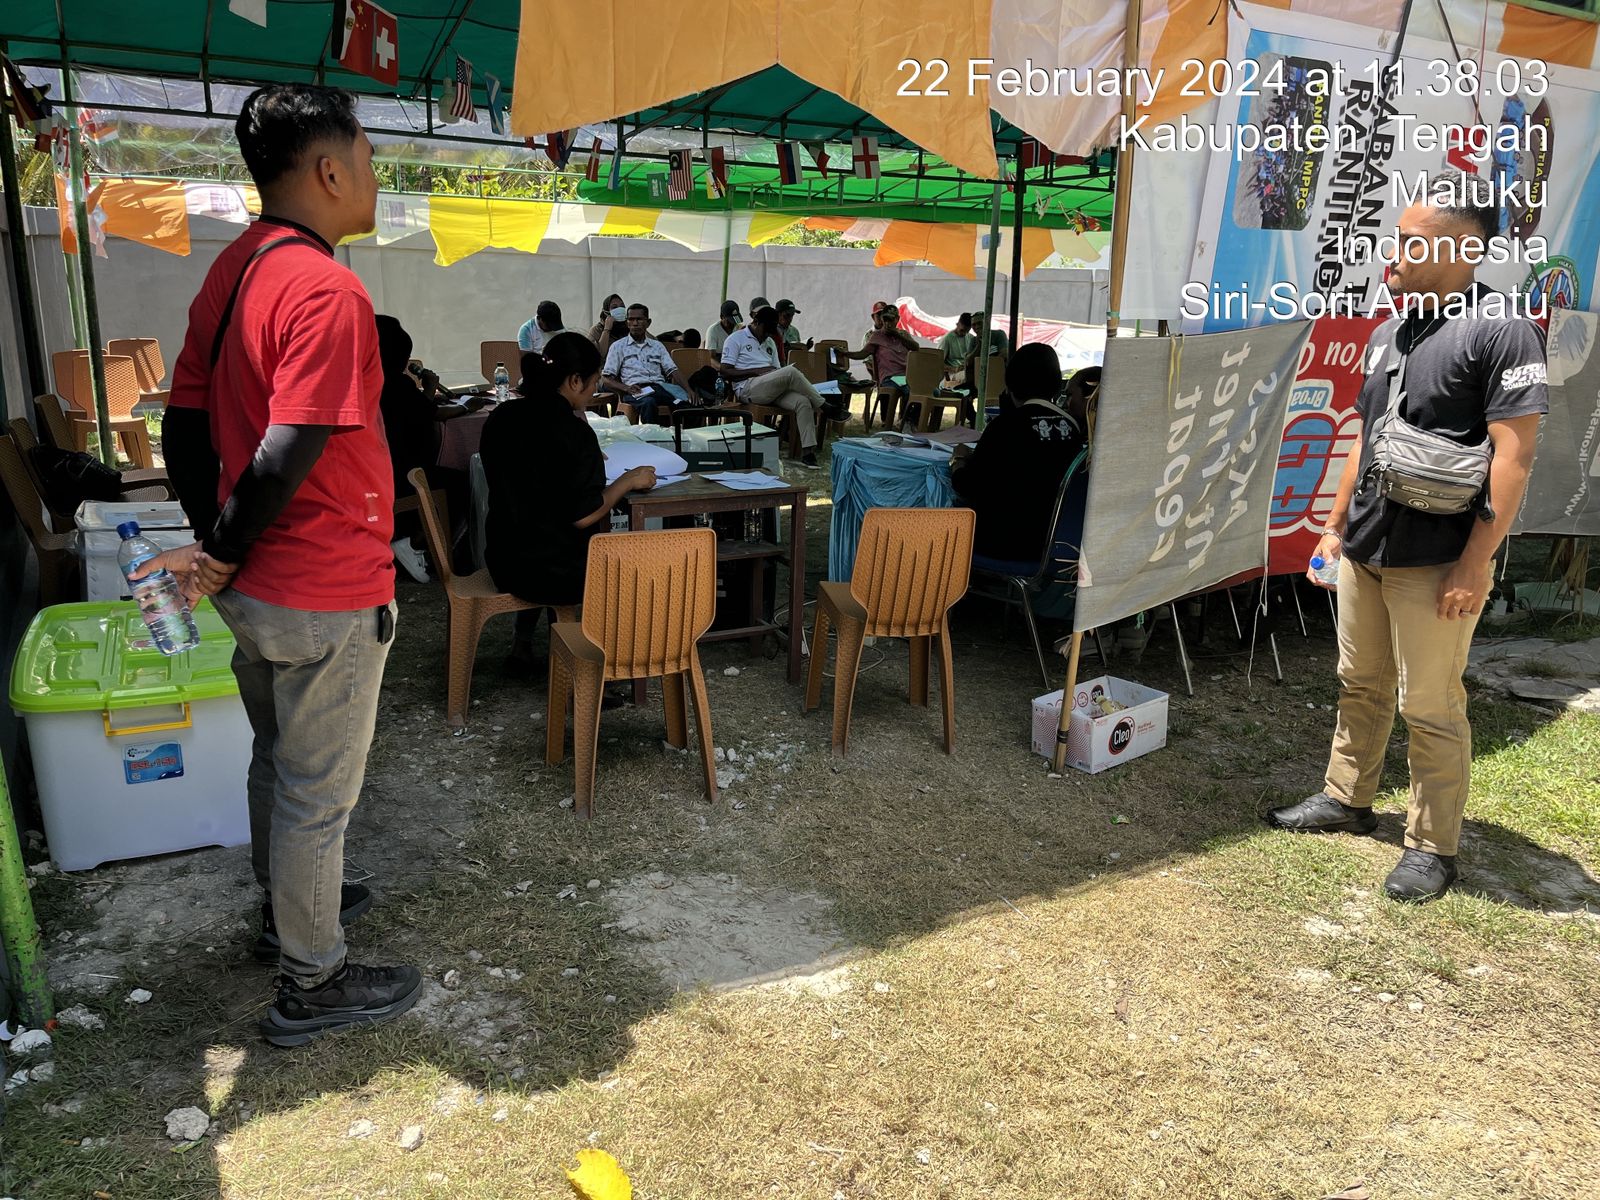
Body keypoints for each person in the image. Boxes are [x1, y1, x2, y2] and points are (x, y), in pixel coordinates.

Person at [150, 82, 420, 1046]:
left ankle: (285, 911)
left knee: (279, 757)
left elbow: (184, 422)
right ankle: (314, 977)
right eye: (370, 161)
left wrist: (214, 543)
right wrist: (221, 548)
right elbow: (290, 446)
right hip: (322, 585)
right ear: (331, 170)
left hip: (263, 586)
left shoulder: (236, 268)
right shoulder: (327, 288)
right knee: (318, 792)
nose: (376, 180)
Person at [1267, 172, 1548, 903]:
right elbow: (1366, 436)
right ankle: (1347, 798)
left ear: (1463, 250)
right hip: (1367, 546)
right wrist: (1332, 528)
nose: (1392, 254)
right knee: (1359, 681)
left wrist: (1475, 564)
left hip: (1438, 557)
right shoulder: (1392, 331)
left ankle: (1431, 846)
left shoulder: (1502, 331)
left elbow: (1514, 457)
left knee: (1430, 704)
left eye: (1411, 242)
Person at [482, 333, 656, 643]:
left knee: (543, 529)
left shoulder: (502, 416)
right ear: (575, 381)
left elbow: (529, 482)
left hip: (504, 559)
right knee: (634, 565)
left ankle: (524, 641)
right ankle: (611, 655)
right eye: (594, 381)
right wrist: (628, 480)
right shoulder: (574, 432)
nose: (595, 389)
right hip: (555, 572)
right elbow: (583, 515)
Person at [950, 344, 1087, 563]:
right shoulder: (1072, 427)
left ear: (1010, 383)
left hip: (1003, 544)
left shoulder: (1005, 426)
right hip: (1057, 544)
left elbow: (967, 486)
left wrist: (957, 460)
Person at [375, 315, 477, 582]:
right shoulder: (398, 384)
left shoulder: (370, 381)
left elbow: (418, 409)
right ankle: (416, 541)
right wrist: (463, 405)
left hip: (379, 469)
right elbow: (431, 413)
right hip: (405, 474)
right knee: (464, 482)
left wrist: (427, 394)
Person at [720, 306, 846, 467]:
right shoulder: (735, 339)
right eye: (765, 330)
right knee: (791, 372)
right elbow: (725, 371)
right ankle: (825, 406)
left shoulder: (770, 342)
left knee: (802, 402)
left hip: (770, 387)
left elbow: (777, 370)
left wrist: (770, 373)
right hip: (747, 387)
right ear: (756, 322)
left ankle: (808, 453)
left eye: (770, 332)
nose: (767, 335)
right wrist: (756, 371)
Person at [600, 303, 691, 424]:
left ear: (648, 323)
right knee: (649, 403)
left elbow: (672, 370)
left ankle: (683, 435)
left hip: (659, 389)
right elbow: (606, 378)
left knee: (688, 404)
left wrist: (689, 391)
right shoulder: (618, 347)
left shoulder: (657, 346)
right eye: (631, 319)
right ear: (627, 323)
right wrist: (626, 388)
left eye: (639, 319)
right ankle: (651, 435)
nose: (635, 323)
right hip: (635, 391)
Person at [846, 303, 919, 427]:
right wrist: (845, 354)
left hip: (905, 376)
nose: (887, 323)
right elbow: (862, 354)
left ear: (897, 320)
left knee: (928, 390)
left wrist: (897, 335)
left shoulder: (903, 334)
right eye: (885, 319)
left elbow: (916, 347)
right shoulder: (877, 336)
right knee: (910, 389)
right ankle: (904, 423)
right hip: (889, 377)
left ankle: (909, 421)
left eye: (891, 320)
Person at [939, 312, 976, 383]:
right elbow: (938, 362)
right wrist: (954, 369)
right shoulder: (947, 339)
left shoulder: (971, 338)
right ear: (957, 324)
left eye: (967, 331)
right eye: (962, 330)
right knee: (968, 376)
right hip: (952, 374)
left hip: (967, 371)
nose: (964, 334)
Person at [774, 299, 812, 363]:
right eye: (787, 315)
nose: (790, 319)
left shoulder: (794, 331)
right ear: (778, 314)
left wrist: (805, 347)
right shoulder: (771, 330)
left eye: (792, 315)